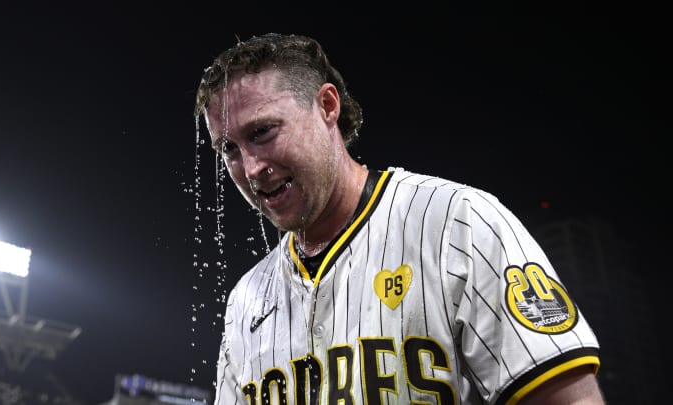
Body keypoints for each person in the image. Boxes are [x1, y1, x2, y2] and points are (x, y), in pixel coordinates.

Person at [194, 33, 606, 405]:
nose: (249, 167)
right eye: (228, 149)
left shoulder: (457, 223)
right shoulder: (246, 299)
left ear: (326, 106)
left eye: (262, 132)